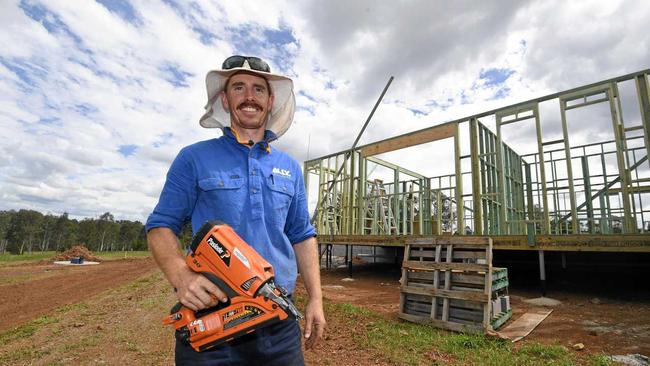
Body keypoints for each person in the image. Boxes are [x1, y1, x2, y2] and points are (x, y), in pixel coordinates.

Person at [145, 55, 325, 365]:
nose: (249, 96)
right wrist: (182, 276)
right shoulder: (193, 158)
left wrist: (316, 299)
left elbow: (302, 235)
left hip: (278, 322)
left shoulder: (289, 168)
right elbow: (161, 225)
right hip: (214, 322)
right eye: (238, 87)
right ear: (225, 100)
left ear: (270, 102)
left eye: (258, 89)